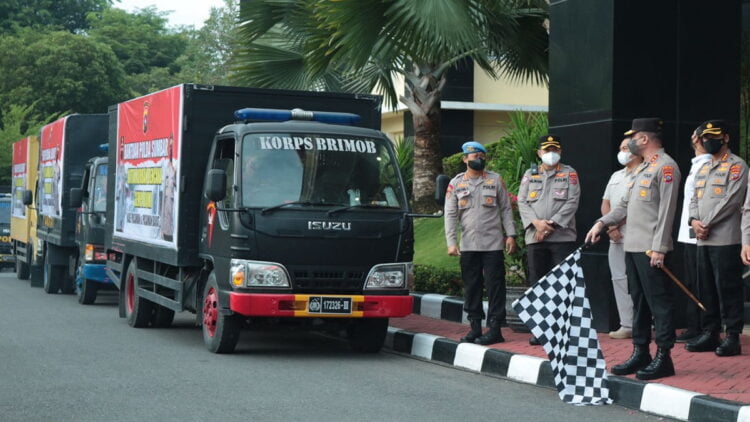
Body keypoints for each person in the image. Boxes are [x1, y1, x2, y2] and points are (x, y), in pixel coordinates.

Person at [585, 117, 681, 381]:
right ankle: (641, 351)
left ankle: (664, 356)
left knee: (658, 303)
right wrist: (601, 224)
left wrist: (660, 247)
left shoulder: (666, 167)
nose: (629, 143)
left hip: (652, 249)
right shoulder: (640, 170)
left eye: (633, 137)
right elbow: (623, 206)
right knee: (638, 302)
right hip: (632, 247)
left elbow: (666, 213)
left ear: (644, 139)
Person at [444, 141, 517, 345]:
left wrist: (511, 234)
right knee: (472, 287)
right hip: (468, 245)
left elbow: (505, 209)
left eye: (481, 156)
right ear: (465, 159)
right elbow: (450, 214)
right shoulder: (456, 183)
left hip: (493, 244)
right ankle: (475, 327)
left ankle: (495, 329)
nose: (478, 159)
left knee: (495, 287)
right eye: (474, 156)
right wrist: (451, 242)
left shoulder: (495, 180)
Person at [688, 120, 747, 357]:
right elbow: (693, 197)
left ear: (725, 138)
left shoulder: (737, 166)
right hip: (702, 238)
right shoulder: (703, 168)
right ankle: (710, 332)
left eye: (713, 136)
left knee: (728, 289)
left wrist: (707, 223)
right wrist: (693, 221)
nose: (708, 141)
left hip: (725, 238)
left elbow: (732, 200)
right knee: (706, 289)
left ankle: (732, 336)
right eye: (705, 138)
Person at [518, 135, 580, 345]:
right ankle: (540, 329)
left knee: (561, 284)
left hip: (561, 237)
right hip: (535, 237)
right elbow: (522, 202)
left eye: (554, 149)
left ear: (560, 152)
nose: (550, 153)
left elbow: (572, 202)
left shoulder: (569, 173)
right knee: (538, 284)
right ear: (539, 153)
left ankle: (561, 329)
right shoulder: (530, 174)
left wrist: (550, 225)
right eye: (547, 150)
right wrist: (537, 223)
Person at [601, 136, 643, 339]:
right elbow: (605, 204)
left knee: (639, 281)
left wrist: (618, 225)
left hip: (636, 234)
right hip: (614, 235)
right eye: (620, 147)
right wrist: (610, 227)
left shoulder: (644, 173)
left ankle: (642, 322)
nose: (622, 151)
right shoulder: (616, 176)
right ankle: (626, 324)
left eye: (625, 147)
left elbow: (637, 206)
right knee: (618, 278)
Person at [675, 127, 712, 343]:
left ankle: (703, 326)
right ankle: (694, 325)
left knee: (701, 282)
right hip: (687, 232)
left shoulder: (707, 164)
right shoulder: (696, 164)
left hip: (698, 232)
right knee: (691, 281)